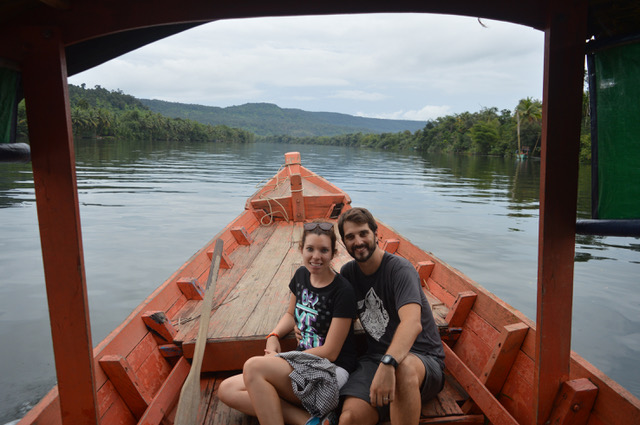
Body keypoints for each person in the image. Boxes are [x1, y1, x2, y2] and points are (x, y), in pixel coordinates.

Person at [217, 221, 357, 425]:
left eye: (324, 250)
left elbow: (331, 351)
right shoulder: (301, 276)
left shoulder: (342, 291)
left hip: (329, 372)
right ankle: (309, 421)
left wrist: (283, 359)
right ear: (301, 249)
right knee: (227, 389)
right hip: (301, 364)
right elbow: (290, 314)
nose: (316, 256)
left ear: (333, 253)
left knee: (254, 367)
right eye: (310, 249)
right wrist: (274, 335)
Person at [336, 207, 445, 425]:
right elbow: (338, 318)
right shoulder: (348, 274)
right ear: (344, 242)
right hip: (375, 359)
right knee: (348, 419)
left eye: (363, 233)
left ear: (376, 234)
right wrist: (301, 325)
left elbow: (412, 323)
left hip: (422, 360)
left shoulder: (399, 270)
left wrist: (388, 363)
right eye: (350, 237)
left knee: (402, 371)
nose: (358, 241)